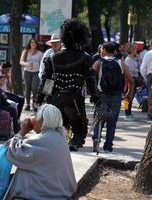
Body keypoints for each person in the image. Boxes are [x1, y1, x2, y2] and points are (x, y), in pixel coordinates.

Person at [36, 19, 99, 151]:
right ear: (80, 38)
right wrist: (95, 97)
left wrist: (39, 100)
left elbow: (46, 82)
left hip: (55, 100)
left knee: (54, 130)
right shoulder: (85, 57)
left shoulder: (52, 58)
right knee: (79, 132)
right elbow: (90, 81)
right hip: (74, 102)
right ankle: (71, 146)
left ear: (63, 38)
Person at [6, 104, 77, 199]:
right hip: (62, 193)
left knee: (21, 172)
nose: (34, 120)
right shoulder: (60, 137)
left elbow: (11, 150)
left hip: (44, 196)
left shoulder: (42, 139)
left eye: (36, 117)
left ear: (42, 121)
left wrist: (22, 132)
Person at [92, 42, 134, 153]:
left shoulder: (99, 62)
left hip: (102, 96)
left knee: (98, 119)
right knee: (112, 123)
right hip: (116, 97)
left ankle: (96, 138)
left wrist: (93, 92)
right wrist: (128, 94)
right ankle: (108, 147)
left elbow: (90, 77)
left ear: (105, 50)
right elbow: (131, 81)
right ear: (114, 52)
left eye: (101, 49)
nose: (100, 51)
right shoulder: (121, 63)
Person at [20, 38, 43, 111]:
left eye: (34, 43)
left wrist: (41, 72)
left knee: (35, 88)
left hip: (36, 72)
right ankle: (28, 105)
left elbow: (42, 63)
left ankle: (34, 104)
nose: (33, 44)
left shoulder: (40, 53)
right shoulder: (25, 51)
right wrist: (27, 64)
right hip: (27, 72)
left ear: (36, 44)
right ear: (29, 44)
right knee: (27, 89)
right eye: (31, 42)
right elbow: (21, 62)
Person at [124, 43, 142, 120]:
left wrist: (139, 59)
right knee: (128, 97)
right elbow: (132, 70)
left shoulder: (133, 59)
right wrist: (138, 70)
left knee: (130, 96)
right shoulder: (128, 59)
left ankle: (129, 113)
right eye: (135, 49)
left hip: (133, 79)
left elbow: (139, 66)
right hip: (130, 80)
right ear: (131, 50)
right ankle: (127, 113)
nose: (136, 50)